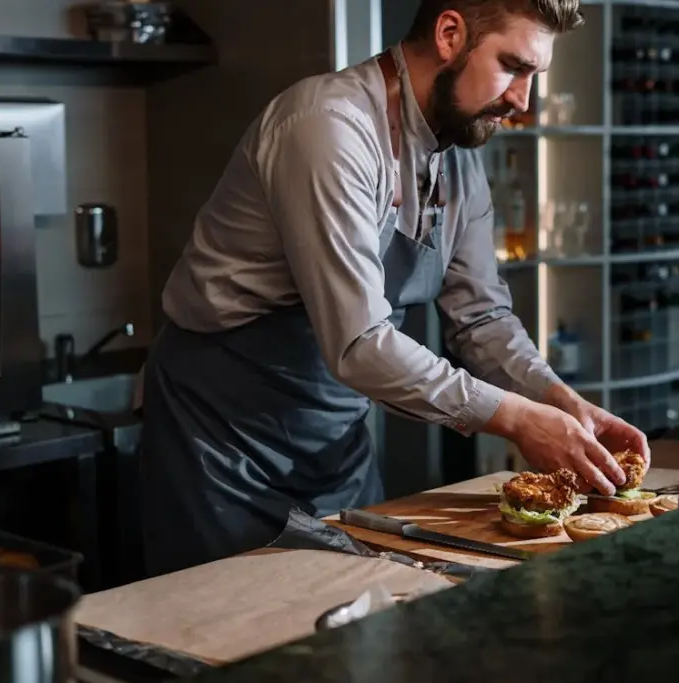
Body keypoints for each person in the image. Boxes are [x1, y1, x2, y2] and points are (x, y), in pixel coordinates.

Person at [139, 0, 651, 576]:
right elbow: (359, 344)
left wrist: (556, 399)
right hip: (224, 444)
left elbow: (480, 317)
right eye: (513, 67)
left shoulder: (457, 154)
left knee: (357, 630)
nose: (521, 100)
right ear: (450, 34)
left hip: (336, 442)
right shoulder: (327, 127)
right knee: (224, 644)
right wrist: (516, 419)